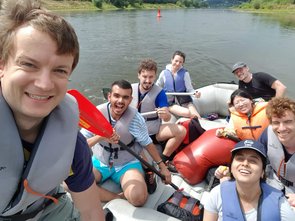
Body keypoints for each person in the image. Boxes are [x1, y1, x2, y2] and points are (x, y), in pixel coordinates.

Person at [0, 0, 104, 220]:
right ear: (2, 66)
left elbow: (91, 211)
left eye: (59, 70)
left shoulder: (72, 145)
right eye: (29, 64)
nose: (45, 84)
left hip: (47, 208)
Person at [81, 80, 171, 206]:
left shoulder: (135, 118)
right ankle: (118, 197)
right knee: (71, 183)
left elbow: (147, 143)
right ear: (109, 96)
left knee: (138, 198)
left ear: (130, 100)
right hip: (100, 160)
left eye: (125, 97)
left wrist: (163, 167)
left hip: (127, 163)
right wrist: (100, 136)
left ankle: (144, 175)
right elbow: (81, 145)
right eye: (116, 96)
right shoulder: (96, 114)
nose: (120, 101)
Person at [204, 139, 295, 221]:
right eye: (239, 159)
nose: (245, 163)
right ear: (231, 167)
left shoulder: (280, 205)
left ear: (262, 172)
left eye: (253, 161)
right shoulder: (217, 194)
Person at [130, 59, 186, 176]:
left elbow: (166, 116)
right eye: (144, 76)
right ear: (139, 75)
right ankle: (148, 170)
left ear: (155, 77)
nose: (147, 80)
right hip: (134, 132)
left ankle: (164, 159)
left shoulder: (160, 93)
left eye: (151, 77)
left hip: (153, 132)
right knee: (144, 161)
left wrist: (166, 115)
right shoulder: (129, 90)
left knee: (181, 131)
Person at [258, 97, 295, 208]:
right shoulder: (268, 133)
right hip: (273, 181)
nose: (281, 128)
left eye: (288, 122)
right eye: (276, 123)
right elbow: (254, 156)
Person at [156, 50, 202, 119]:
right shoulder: (164, 73)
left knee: (197, 117)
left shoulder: (185, 74)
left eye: (180, 62)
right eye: (176, 61)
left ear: (182, 63)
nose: (178, 64)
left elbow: (189, 89)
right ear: (172, 60)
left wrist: (195, 93)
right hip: (170, 102)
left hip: (184, 100)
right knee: (187, 113)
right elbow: (158, 85)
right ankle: (169, 109)